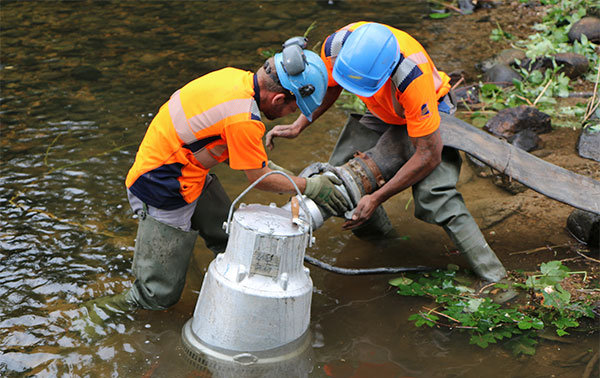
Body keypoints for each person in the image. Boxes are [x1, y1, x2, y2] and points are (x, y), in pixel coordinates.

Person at [92, 42, 349, 314]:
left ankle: (202, 277)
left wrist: (277, 172)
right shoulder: (244, 119)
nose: (290, 116)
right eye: (293, 109)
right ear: (278, 100)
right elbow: (259, 179)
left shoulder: (234, 78)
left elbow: (234, 149)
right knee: (157, 296)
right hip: (162, 185)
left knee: (231, 239)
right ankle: (96, 313)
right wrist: (311, 186)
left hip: (187, 169)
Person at [265, 22, 507, 283]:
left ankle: (495, 277)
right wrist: (300, 124)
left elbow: (429, 155)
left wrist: (378, 197)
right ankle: (386, 245)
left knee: (435, 196)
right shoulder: (337, 46)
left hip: (430, 111)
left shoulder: (413, 79)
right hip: (383, 109)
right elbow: (333, 85)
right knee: (340, 184)